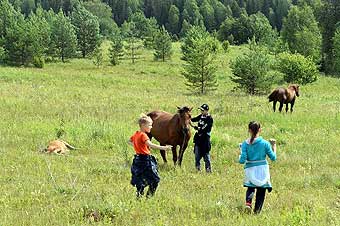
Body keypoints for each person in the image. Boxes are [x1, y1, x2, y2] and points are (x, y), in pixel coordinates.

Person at [128, 114, 172, 198]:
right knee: (155, 180)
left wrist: (138, 146)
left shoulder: (136, 134)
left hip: (137, 160)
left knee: (140, 179)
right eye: (150, 125)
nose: (151, 127)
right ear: (143, 125)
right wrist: (164, 147)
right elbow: (151, 145)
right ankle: (149, 197)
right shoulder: (143, 135)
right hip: (145, 160)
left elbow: (129, 141)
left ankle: (139, 197)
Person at [239, 121, 277, 214]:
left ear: (249, 130)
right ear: (260, 130)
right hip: (262, 169)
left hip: (250, 168)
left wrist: (240, 152)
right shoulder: (265, 143)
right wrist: (274, 146)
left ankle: (248, 203)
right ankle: (257, 211)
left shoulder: (245, 144)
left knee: (251, 187)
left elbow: (242, 160)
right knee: (261, 190)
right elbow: (273, 158)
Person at [191, 104, 213, 172]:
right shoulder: (201, 116)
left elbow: (204, 128)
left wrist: (197, 128)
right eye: (201, 110)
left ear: (206, 111)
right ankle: (198, 169)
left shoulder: (209, 119)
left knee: (206, 156)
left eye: (202, 110)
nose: (201, 111)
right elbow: (194, 119)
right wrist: (188, 117)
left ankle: (208, 170)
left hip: (205, 139)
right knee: (197, 156)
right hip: (198, 138)